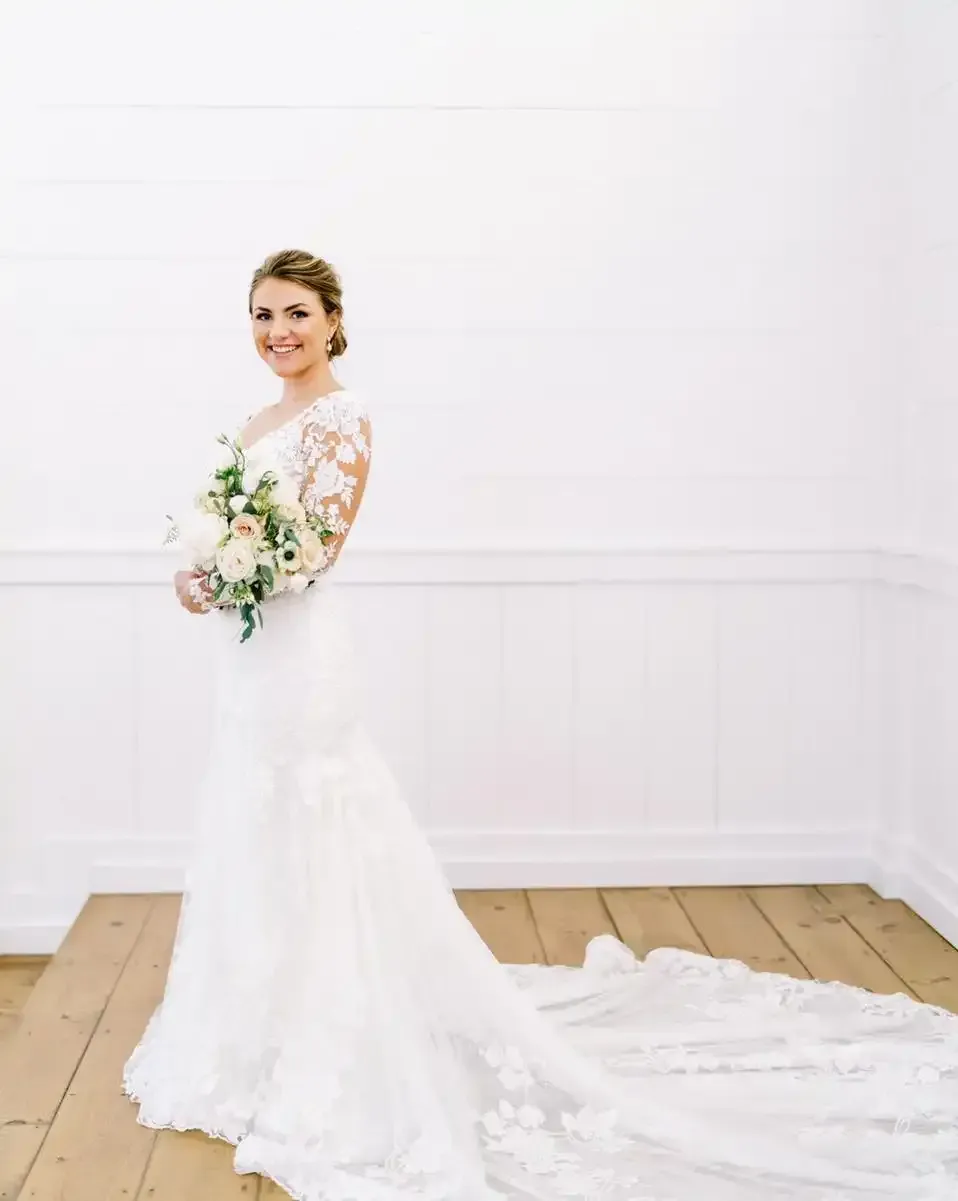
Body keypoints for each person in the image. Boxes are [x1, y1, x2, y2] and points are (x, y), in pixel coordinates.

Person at [123, 248, 958, 1201]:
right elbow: (230, 534)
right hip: (249, 665)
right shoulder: (255, 422)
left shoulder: (342, 419)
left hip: (303, 658)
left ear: (333, 321)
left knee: (315, 823)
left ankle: (333, 1038)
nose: (279, 332)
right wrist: (199, 575)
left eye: (297, 314)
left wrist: (235, 571)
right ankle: (249, 1031)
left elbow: (318, 550)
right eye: (263, 314)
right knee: (250, 823)